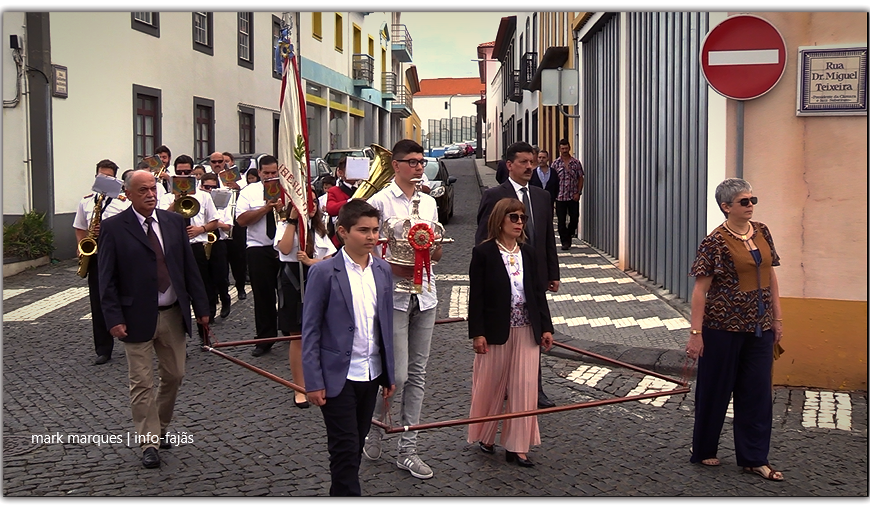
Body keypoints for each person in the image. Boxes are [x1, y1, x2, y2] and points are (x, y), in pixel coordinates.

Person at [98, 169, 209, 469]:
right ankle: (148, 441)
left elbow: (189, 269)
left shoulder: (174, 222)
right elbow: (105, 279)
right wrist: (113, 318)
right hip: (134, 316)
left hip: (173, 313)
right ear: (129, 194)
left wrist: (202, 309)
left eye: (153, 189)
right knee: (142, 382)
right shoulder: (114, 227)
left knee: (175, 375)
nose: (150, 194)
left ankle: (159, 426)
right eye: (143, 190)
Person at [687, 178, 784, 481]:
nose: (751, 206)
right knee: (715, 392)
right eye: (744, 202)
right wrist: (696, 333)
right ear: (726, 207)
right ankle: (704, 449)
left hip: (759, 328)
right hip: (722, 328)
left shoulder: (763, 232)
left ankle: (754, 458)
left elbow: (770, 277)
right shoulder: (714, 241)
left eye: (753, 200)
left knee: (757, 394)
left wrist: (777, 319)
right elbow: (700, 290)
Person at [301, 199, 396, 496]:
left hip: (370, 373)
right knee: (344, 446)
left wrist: (389, 375)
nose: (371, 237)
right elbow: (311, 330)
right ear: (342, 232)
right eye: (363, 230)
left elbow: (385, 327)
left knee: (356, 441)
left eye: (375, 230)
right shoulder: (324, 273)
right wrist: (313, 382)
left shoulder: (382, 270)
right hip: (338, 377)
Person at [363, 139, 442, 480]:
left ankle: (408, 449)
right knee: (397, 374)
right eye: (411, 161)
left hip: (425, 294)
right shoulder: (378, 202)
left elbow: (437, 248)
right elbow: (368, 249)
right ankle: (375, 428)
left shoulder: (429, 203)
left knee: (419, 373)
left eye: (422, 161)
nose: (418, 167)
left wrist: (431, 251)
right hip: (392, 294)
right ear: (395, 165)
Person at [468, 197, 554, 467]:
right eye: (513, 217)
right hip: (496, 330)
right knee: (491, 385)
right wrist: (477, 333)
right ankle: (485, 434)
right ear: (500, 220)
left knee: (524, 387)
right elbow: (477, 298)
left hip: (528, 328)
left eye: (522, 218)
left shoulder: (527, 253)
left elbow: (537, 293)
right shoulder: (483, 254)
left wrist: (547, 327)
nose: (519, 222)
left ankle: (517, 447)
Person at [476, 141, 560, 409]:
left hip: (534, 277)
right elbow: (483, 240)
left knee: (533, 333)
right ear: (509, 165)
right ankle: (501, 387)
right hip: (503, 280)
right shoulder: (494, 195)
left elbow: (547, 238)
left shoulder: (541, 196)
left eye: (532, 162)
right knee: (504, 336)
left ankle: (534, 388)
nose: (529, 167)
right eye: (523, 162)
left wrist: (552, 272)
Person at [275, 196, 337, 409]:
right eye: (304, 201)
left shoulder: (320, 229)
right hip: (293, 280)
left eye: (313, 201)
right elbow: (283, 249)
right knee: (298, 336)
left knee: (323, 333)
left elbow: (331, 258)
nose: (310, 206)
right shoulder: (283, 225)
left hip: (317, 277)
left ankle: (320, 382)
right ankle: (299, 387)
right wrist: (293, 222)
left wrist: (312, 262)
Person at [73, 159, 130, 365]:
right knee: (98, 301)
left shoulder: (124, 202)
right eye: (100, 176)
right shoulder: (86, 201)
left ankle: (131, 337)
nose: (103, 179)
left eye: (108, 176)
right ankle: (103, 348)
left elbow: (130, 228)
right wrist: (82, 246)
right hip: (96, 255)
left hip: (119, 255)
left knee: (126, 297)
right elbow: (79, 227)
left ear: (115, 179)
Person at [159, 155, 220, 332]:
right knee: (177, 290)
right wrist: (175, 202)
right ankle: (178, 336)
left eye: (187, 171)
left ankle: (205, 333)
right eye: (180, 172)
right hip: (173, 248)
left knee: (201, 287)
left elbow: (214, 221)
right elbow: (161, 220)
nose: (184, 175)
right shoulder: (165, 196)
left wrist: (200, 229)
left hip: (196, 246)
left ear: (193, 172)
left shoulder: (203, 195)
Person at [235, 155, 281, 357]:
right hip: (258, 247)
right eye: (266, 173)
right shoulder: (249, 192)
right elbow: (242, 220)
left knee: (290, 293)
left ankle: (291, 330)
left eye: (274, 172)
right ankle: (265, 338)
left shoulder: (286, 189)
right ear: (259, 172)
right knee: (263, 296)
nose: (270, 176)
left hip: (283, 247)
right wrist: (265, 209)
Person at [200, 172, 233, 319]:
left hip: (218, 242)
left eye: (213, 187)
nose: (210, 190)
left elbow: (228, 226)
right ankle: (210, 309)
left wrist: (214, 220)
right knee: (206, 278)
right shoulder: (198, 202)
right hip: (203, 241)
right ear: (201, 186)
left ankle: (225, 299)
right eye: (207, 187)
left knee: (220, 276)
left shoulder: (223, 204)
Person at [551, 139, 584, 251]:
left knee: (574, 219)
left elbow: (580, 178)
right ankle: (565, 242)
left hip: (573, 196)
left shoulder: (576, 163)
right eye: (562, 148)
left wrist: (578, 192)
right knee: (561, 221)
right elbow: (553, 180)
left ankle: (569, 235)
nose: (564, 150)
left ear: (569, 148)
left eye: (566, 148)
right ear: (559, 149)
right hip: (560, 197)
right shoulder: (555, 163)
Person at [325, 157, 357, 247]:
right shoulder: (334, 190)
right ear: (341, 173)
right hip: (341, 239)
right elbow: (330, 208)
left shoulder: (366, 188)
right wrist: (350, 201)